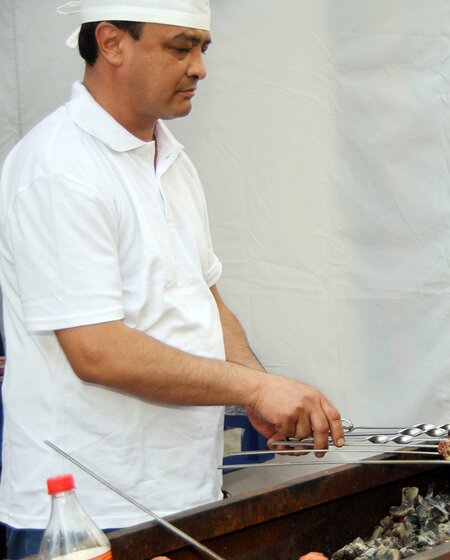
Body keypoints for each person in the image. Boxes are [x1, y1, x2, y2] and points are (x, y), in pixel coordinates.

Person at [0, 1, 344, 558]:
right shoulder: (58, 168)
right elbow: (97, 351)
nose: (200, 68)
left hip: (182, 496)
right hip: (85, 517)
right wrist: (255, 388)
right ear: (111, 43)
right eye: (181, 47)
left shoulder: (170, 159)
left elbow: (204, 299)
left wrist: (253, 381)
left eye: (203, 49)